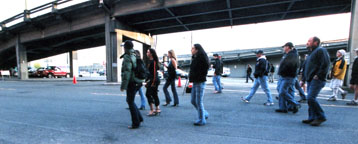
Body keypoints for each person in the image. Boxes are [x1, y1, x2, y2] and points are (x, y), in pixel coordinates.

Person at [300, 36, 330, 126]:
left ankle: (321, 117)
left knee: (311, 98)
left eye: (309, 41)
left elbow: (325, 64)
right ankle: (312, 118)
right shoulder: (311, 53)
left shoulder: (321, 50)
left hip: (317, 79)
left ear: (316, 42)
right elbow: (306, 67)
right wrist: (303, 79)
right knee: (310, 99)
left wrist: (319, 75)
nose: (307, 42)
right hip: (310, 79)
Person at [120, 40, 143, 129]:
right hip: (138, 81)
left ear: (125, 48)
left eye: (123, 47)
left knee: (130, 101)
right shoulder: (135, 54)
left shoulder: (127, 56)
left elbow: (127, 72)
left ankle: (136, 123)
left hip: (132, 82)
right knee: (130, 100)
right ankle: (139, 118)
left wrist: (123, 86)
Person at [275, 42, 301, 113]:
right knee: (283, 90)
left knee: (282, 92)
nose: (283, 48)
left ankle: (295, 104)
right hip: (284, 76)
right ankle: (283, 108)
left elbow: (292, 66)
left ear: (288, 47)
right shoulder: (287, 55)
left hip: (288, 76)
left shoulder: (293, 55)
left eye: (284, 47)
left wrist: (285, 72)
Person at [189, 44, 210, 126]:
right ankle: (204, 114)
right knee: (193, 100)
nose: (191, 50)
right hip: (195, 81)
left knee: (198, 101)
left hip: (200, 81)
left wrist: (195, 76)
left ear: (197, 49)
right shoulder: (196, 57)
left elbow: (201, 71)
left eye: (193, 48)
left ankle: (202, 119)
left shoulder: (202, 58)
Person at [145, 48, 161, 116]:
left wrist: (153, 83)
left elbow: (154, 73)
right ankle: (157, 108)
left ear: (151, 53)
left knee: (148, 94)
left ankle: (152, 110)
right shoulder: (150, 61)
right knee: (154, 94)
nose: (147, 53)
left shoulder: (153, 61)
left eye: (148, 52)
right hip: (152, 80)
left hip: (154, 80)